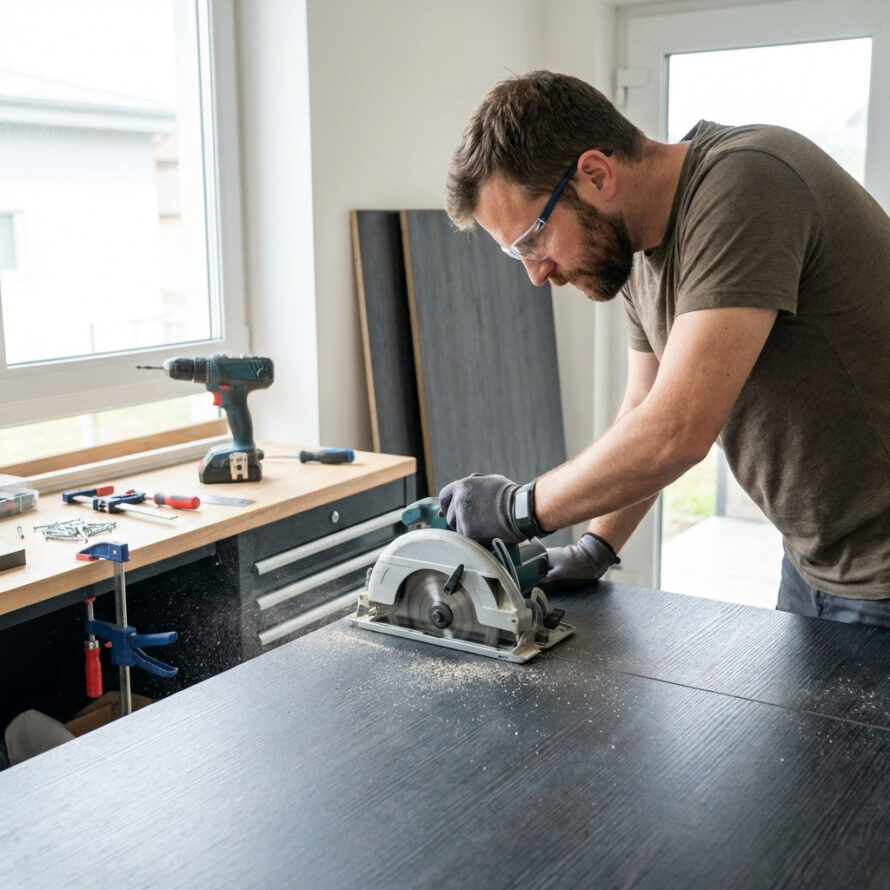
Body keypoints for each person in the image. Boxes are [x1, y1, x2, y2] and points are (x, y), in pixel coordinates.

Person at [438, 70, 890, 627]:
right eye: (518, 254)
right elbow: (645, 412)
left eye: (532, 238)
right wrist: (595, 546)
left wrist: (518, 509)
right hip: (814, 560)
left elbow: (676, 431)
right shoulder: (635, 252)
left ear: (596, 174)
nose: (536, 273)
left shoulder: (749, 182)